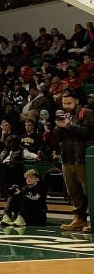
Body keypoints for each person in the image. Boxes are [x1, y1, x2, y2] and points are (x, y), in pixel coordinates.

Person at [54, 90, 93, 232]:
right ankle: (79, 219)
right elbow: (56, 137)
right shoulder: (64, 115)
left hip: (83, 158)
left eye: (69, 103)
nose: (66, 105)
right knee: (74, 192)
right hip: (67, 158)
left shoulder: (86, 113)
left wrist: (68, 125)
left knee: (89, 191)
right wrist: (58, 126)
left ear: (77, 101)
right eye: (64, 103)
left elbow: (88, 133)